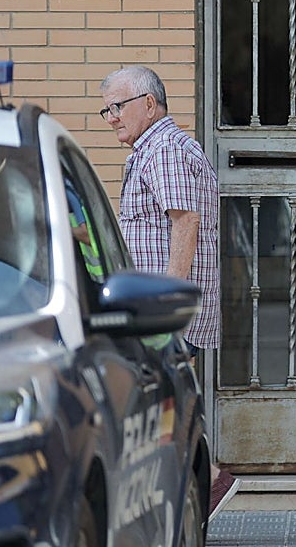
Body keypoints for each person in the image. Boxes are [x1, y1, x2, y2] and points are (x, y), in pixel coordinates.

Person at [99, 65, 240, 521]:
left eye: (117, 107)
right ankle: (199, 485)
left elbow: (185, 221)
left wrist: (167, 308)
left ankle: (208, 481)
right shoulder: (156, 149)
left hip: (165, 314)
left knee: (156, 402)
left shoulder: (163, 149)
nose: (111, 118)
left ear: (148, 103)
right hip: (160, 311)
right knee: (161, 402)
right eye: (106, 111)